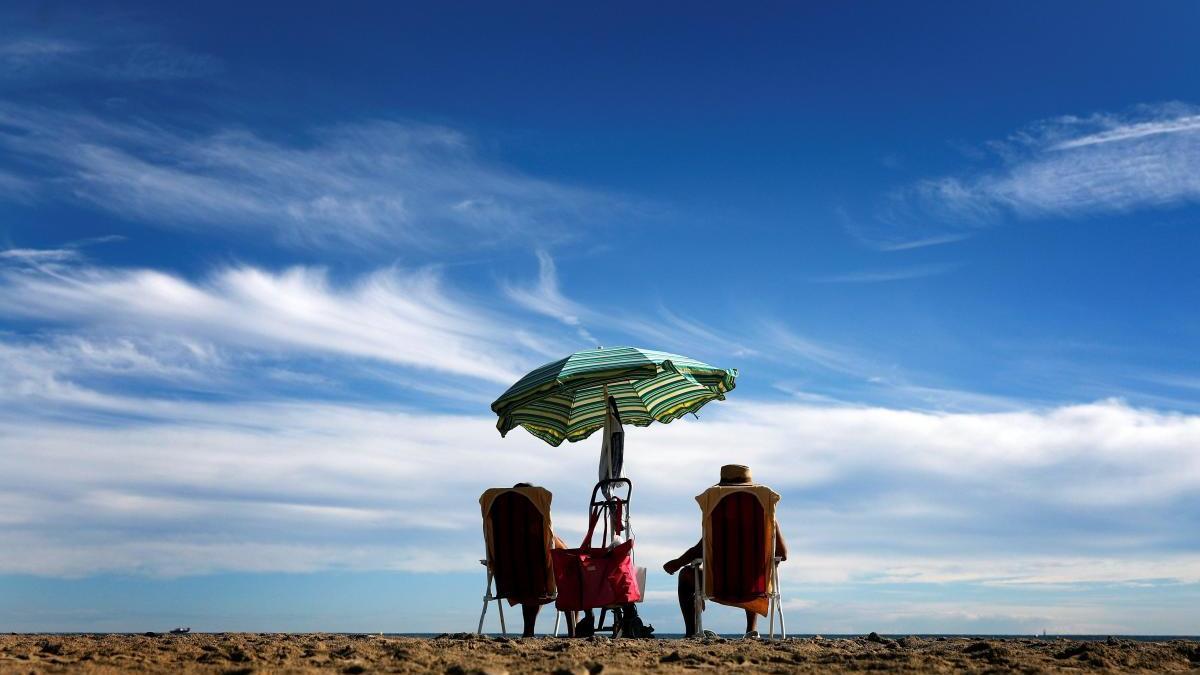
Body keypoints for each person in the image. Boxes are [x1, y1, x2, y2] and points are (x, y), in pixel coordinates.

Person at [662, 465, 788, 638]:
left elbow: (700, 550)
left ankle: (691, 633)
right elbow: (783, 553)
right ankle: (751, 630)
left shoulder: (717, 515)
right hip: (755, 586)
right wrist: (761, 564)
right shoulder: (766, 516)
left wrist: (677, 563)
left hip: (718, 584)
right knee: (755, 570)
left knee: (686, 575)